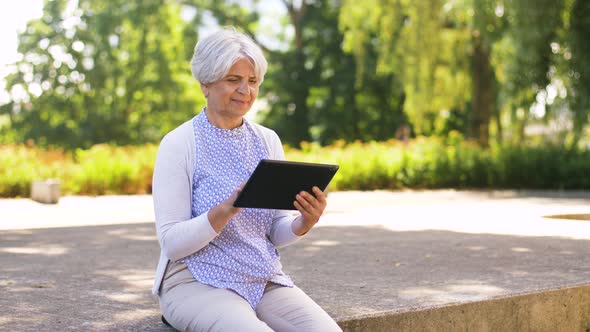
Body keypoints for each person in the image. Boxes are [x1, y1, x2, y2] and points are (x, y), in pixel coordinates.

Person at [151, 27, 342, 332]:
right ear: (205, 83)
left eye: (252, 81)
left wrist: (303, 223)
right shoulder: (179, 144)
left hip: (260, 277)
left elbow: (274, 231)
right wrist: (220, 214)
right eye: (233, 80)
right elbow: (172, 243)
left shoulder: (267, 140)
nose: (246, 90)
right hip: (193, 280)